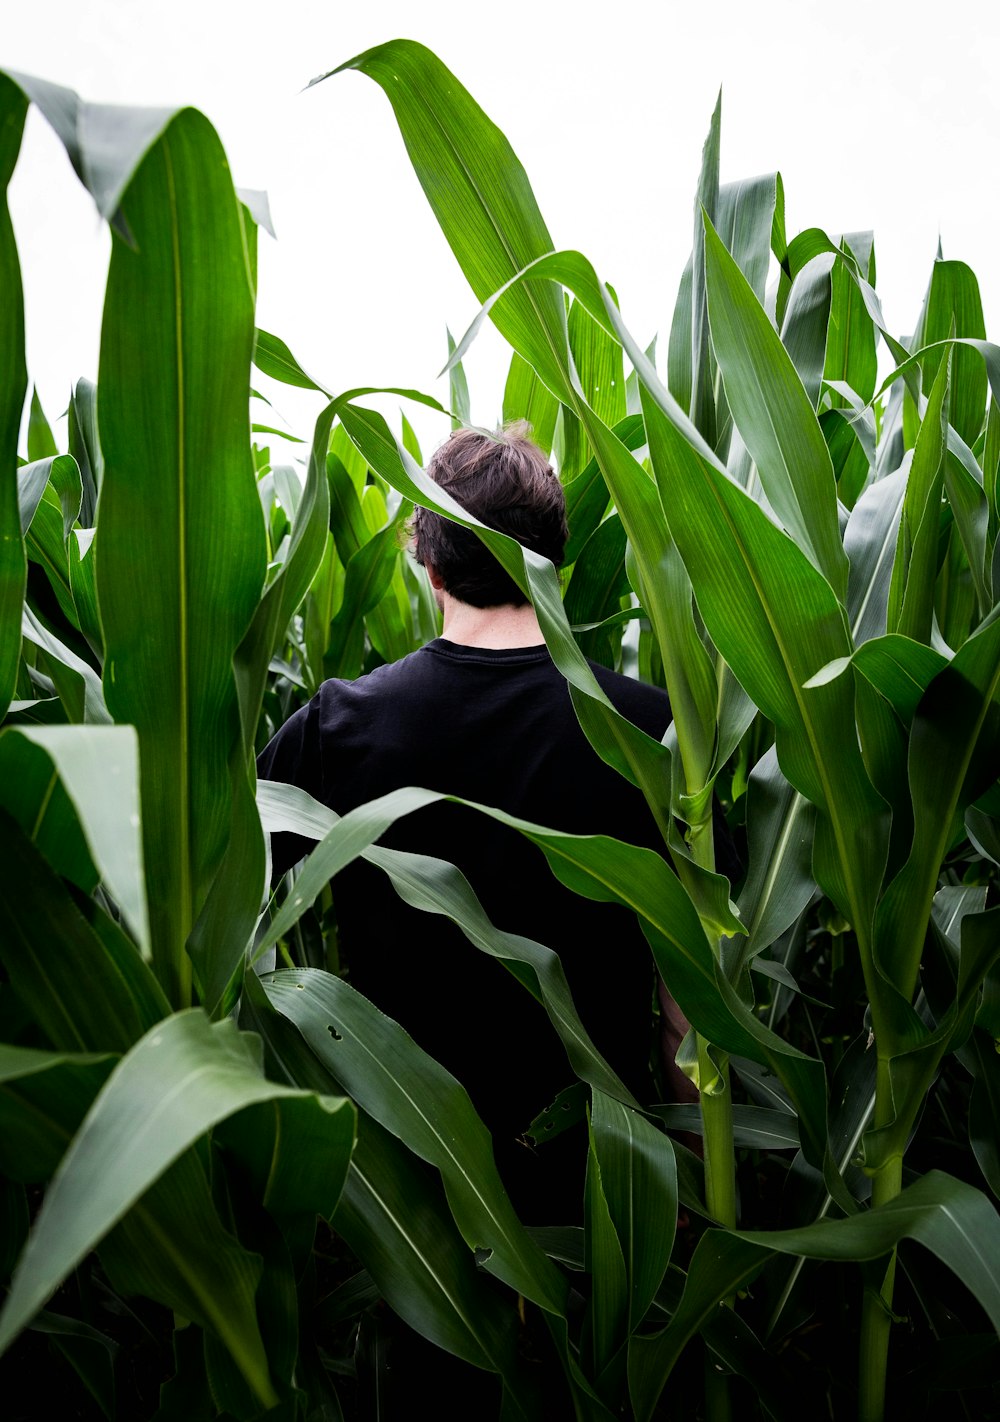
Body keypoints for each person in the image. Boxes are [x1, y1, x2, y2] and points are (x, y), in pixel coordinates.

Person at [257, 421, 697, 1222]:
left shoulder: (336, 728)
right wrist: (698, 1195)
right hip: (606, 1196)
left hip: (410, 1204)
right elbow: (685, 1018)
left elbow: (219, 915)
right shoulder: (649, 733)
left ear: (429, 564)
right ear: (551, 559)